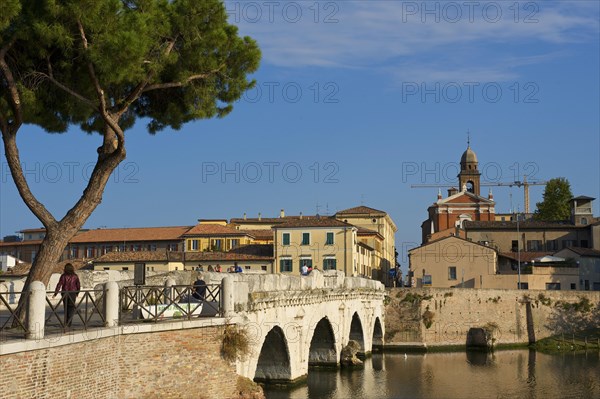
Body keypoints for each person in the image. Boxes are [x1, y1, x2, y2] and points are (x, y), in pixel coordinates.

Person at [53, 263, 80, 327]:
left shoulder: (63, 276)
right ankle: (69, 323)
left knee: (66, 308)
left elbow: (59, 284)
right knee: (71, 308)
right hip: (73, 293)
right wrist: (77, 292)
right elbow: (78, 285)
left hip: (65, 293)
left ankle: (65, 323)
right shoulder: (75, 276)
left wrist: (55, 293)